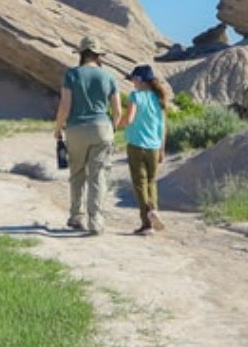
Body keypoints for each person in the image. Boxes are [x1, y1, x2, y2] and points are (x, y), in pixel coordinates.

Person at [54, 35, 120, 235]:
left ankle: (76, 216)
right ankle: (96, 220)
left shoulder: (71, 75)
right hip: (102, 128)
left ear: (81, 54)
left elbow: (65, 106)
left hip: (76, 129)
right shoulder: (108, 76)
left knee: (77, 174)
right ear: (99, 56)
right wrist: (113, 128)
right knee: (98, 175)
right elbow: (117, 110)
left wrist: (58, 128)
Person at [119, 65, 170, 235]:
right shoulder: (159, 98)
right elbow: (163, 127)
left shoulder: (135, 96)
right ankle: (154, 209)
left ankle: (147, 223)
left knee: (140, 184)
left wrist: (117, 124)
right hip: (154, 146)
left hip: (136, 144)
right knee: (151, 181)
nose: (132, 82)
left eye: (133, 78)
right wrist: (162, 150)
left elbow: (130, 118)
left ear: (139, 80)